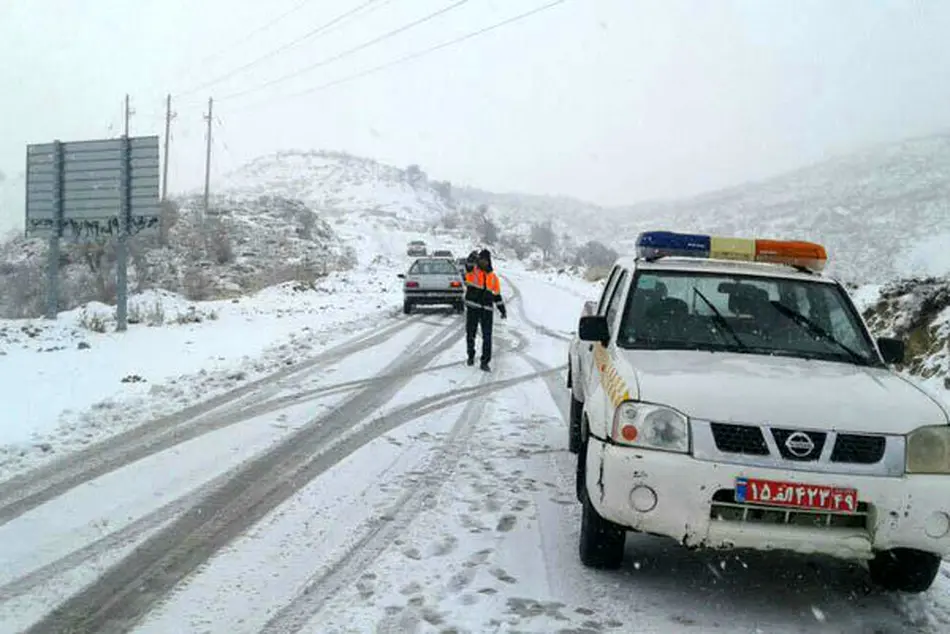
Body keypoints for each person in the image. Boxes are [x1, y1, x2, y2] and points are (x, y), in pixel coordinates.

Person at [464, 248, 506, 371]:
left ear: (489, 261)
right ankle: (470, 355)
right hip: (473, 308)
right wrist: (471, 258)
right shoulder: (473, 271)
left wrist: (502, 309)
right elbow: (468, 266)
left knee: (487, 337)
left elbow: (497, 295)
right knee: (471, 334)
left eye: (486, 260)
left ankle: (485, 361)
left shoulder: (493, 277)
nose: (484, 262)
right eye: (482, 259)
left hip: (487, 310)